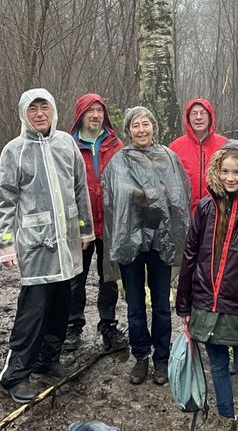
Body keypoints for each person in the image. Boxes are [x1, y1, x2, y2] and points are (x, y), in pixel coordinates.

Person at [0, 89, 94, 403]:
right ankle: (15, 376)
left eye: (44, 107)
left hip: (67, 246)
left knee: (60, 308)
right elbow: (5, 203)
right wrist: (7, 245)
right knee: (32, 314)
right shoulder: (14, 151)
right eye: (33, 109)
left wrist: (85, 230)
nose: (39, 114)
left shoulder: (66, 143)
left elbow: (80, 189)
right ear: (25, 114)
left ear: (53, 110)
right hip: (36, 248)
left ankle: (47, 361)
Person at [176, 140, 238, 431]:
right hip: (206, 303)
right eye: (225, 171)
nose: (231, 178)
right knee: (217, 365)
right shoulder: (205, 208)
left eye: (237, 172)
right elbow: (189, 256)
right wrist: (184, 303)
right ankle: (224, 416)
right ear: (217, 172)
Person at [102, 106, 191, 385]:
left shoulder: (168, 157)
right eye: (136, 126)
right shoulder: (120, 161)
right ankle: (140, 356)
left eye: (146, 124)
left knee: (162, 303)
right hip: (131, 242)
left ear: (154, 127)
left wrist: (148, 194)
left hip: (161, 241)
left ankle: (161, 359)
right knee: (135, 304)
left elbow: (178, 193)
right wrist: (150, 193)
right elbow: (118, 193)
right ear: (128, 131)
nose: (142, 130)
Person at [64, 94, 127, 353]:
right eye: (90, 111)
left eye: (99, 110)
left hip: (111, 223)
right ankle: (72, 325)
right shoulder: (69, 145)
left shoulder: (115, 144)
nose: (95, 115)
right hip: (80, 223)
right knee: (75, 276)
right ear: (80, 115)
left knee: (109, 278)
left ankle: (108, 325)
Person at [169, 98, 227, 213]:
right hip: (185, 213)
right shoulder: (175, 147)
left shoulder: (224, 145)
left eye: (203, 113)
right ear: (188, 119)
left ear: (210, 117)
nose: (199, 117)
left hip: (218, 213)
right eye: (194, 114)